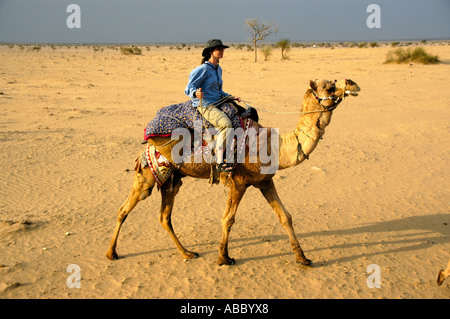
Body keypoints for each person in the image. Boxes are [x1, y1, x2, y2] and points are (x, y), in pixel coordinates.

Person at [185, 39, 241, 172]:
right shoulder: (202, 69)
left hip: (218, 101)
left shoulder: (218, 69)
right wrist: (195, 93)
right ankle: (219, 160)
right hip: (206, 104)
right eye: (218, 49)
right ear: (211, 52)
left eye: (222, 49)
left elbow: (219, 91)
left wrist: (230, 97)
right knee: (225, 124)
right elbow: (188, 88)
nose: (221, 52)